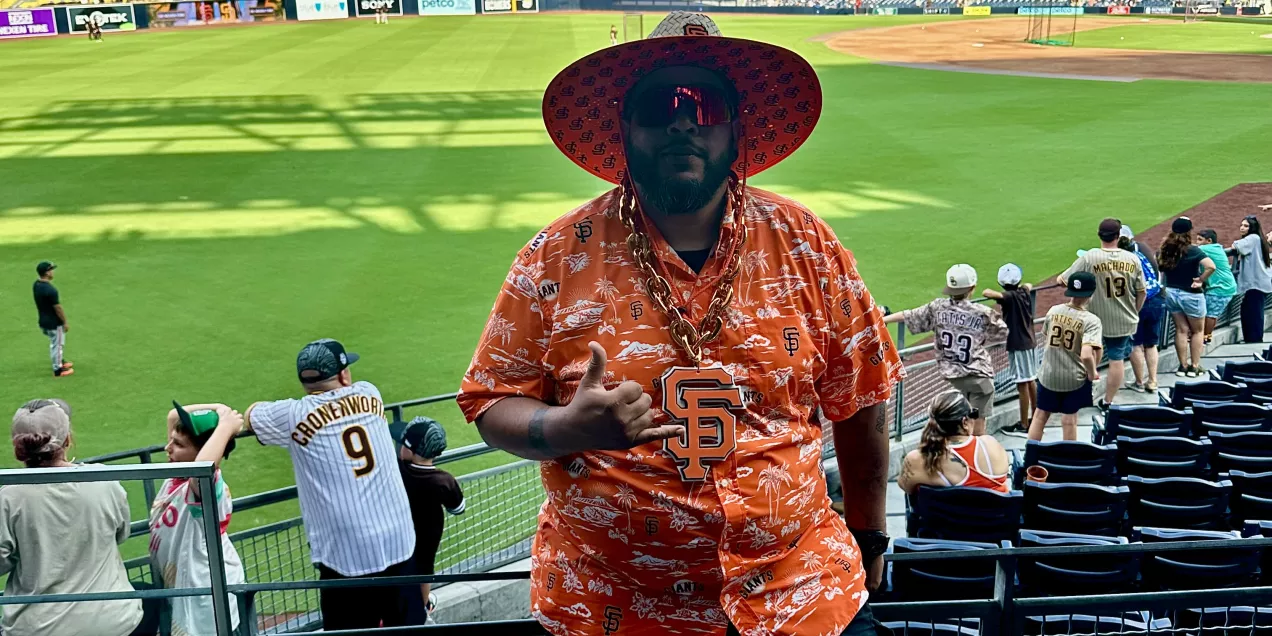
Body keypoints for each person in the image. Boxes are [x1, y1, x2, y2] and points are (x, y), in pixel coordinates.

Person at [457, 12, 904, 635]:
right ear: (625, 126)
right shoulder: (558, 255)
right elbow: (489, 400)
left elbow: (861, 402)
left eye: (705, 103)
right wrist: (565, 426)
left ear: (737, 128)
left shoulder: (807, 246)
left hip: (800, 590)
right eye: (660, 102)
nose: (683, 120)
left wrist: (871, 534)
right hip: (614, 607)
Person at [245, 339, 425, 629]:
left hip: (345, 557)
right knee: (408, 628)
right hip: (398, 543)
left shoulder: (293, 415)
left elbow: (251, 415)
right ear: (343, 375)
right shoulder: (370, 393)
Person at [0, 399, 145, 636]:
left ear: (18, 448)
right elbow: (121, 533)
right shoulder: (103, 480)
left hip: (38, 628)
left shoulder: (9, 495)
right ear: (67, 440)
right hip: (114, 620)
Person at [149, 402, 247, 636]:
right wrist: (221, 410)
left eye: (179, 444)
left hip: (206, 591)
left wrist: (224, 428)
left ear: (202, 452)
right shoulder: (178, 470)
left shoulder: (204, 486)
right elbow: (173, 415)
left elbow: (203, 467)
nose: (168, 447)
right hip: (185, 583)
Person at [884, 264, 1008, 436]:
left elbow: (908, 315)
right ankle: (977, 459)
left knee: (961, 422)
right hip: (979, 378)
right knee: (978, 429)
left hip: (954, 376)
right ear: (972, 288)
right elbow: (1004, 332)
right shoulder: (982, 312)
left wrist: (883, 319)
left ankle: (961, 456)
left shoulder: (938, 308)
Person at [1058, 218, 1146, 410]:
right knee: (1116, 359)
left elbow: (1064, 279)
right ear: (1118, 236)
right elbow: (1142, 291)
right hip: (1123, 319)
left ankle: (1082, 395)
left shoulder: (1090, 257)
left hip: (1093, 318)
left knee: (1086, 356)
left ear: (1099, 235)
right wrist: (1134, 311)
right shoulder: (1132, 259)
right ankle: (1108, 401)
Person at [391, 416, 465, 621]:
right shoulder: (443, 480)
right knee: (424, 568)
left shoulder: (397, 469)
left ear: (411, 450)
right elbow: (458, 507)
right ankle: (423, 609)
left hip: (399, 536)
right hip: (427, 537)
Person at [1029, 272, 1103, 442]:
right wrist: (1092, 373)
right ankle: (1068, 459)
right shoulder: (1091, 320)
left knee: (1040, 416)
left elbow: (1046, 335)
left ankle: (1030, 457)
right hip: (1073, 379)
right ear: (1090, 294)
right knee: (1069, 419)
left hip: (1048, 374)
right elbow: (1086, 355)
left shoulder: (1054, 311)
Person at [897, 391, 1010, 494]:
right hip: (995, 516)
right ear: (964, 422)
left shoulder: (917, 460)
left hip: (941, 516)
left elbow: (907, 488)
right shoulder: (991, 445)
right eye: (973, 414)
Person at [1158, 217, 1216, 378]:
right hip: (1191, 294)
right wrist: (1200, 280)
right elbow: (1211, 266)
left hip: (1171, 292)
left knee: (1181, 330)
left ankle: (1182, 366)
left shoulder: (1165, 248)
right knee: (1198, 331)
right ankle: (1194, 366)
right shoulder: (1193, 250)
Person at [982, 263, 1035, 437]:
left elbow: (988, 293)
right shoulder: (1023, 292)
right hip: (1030, 341)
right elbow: (1028, 285)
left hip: (1018, 344)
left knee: (1022, 383)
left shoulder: (1010, 297)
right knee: (1031, 380)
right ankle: (1036, 417)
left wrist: (993, 292)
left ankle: (1024, 423)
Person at [1121, 229, 1165, 393]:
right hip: (1157, 299)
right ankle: (1152, 381)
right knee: (1151, 343)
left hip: (1140, 303)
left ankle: (1139, 382)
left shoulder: (1123, 260)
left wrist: (1134, 310)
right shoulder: (1141, 252)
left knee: (1135, 344)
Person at [1230, 215, 1272, 343]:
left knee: (1252, 311)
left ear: (1252, 228)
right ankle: (1252, 337)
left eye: (1246, 226)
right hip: (1260, 281)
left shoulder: (1253, 238)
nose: (1242, 228)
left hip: (1256, 283)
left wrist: (1236, 244)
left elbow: (1235, 246)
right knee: (1251, 309)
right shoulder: (1259, 238)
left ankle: (1253, 338)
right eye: (1241, 225)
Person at [1196, 228, 1238, 345]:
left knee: (1210, 314)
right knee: (1210, 313)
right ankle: (1205, 336)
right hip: (1224, 287)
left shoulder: (1206, 248)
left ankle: (1206, 337)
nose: (1197, 242)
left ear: (1209, 241)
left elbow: (1191, 250)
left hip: (1220, 288)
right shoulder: (1217, 248)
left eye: (1200, 240)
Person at [33, 260, 73, 377]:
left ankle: (60, 361)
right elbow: (58, 308)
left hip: (43, 321)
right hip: (54, 323)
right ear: (46, 273)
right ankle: (58, 370)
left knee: (54, 342)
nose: (53, 272)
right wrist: (64, 322)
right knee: (58, 344)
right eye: (51, 270)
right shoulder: (51, 290)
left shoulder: (36, 285)